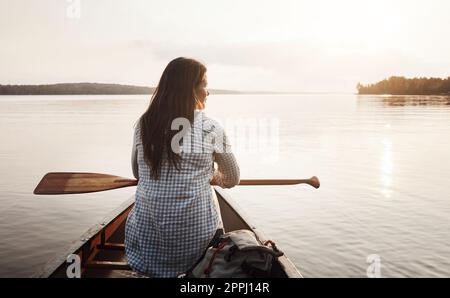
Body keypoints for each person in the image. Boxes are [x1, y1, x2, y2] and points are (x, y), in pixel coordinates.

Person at [124, 57, 240, 277]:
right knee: (211, 196)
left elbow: (137, 173)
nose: (208, 91)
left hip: (146, 247)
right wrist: (213, 176)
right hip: (194, 248)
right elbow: (233, 178)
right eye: (204, 85)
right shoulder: (211, 127)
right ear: (190, 90)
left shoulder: (144, 123)